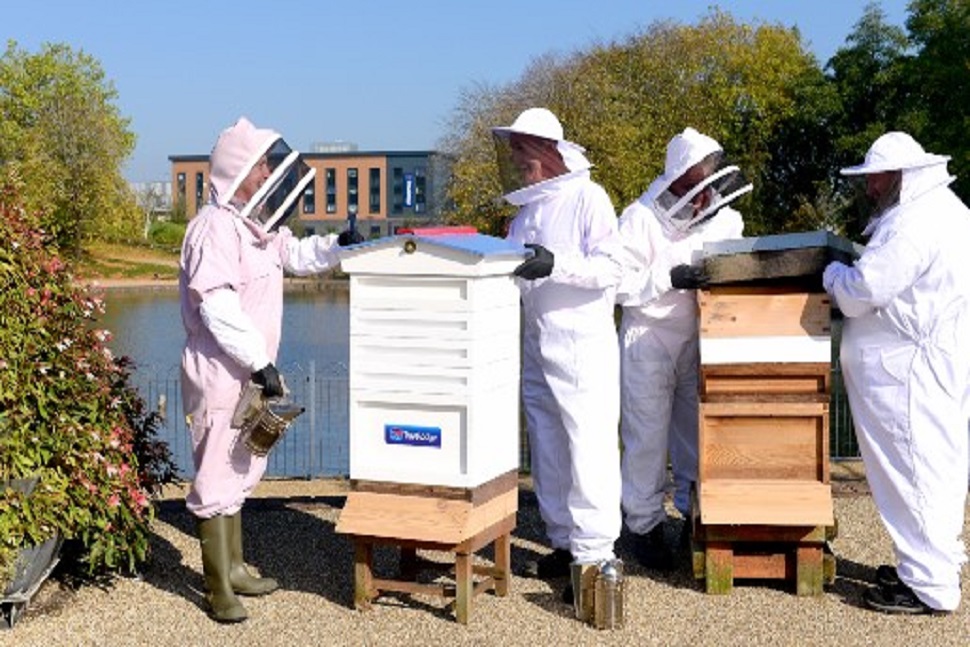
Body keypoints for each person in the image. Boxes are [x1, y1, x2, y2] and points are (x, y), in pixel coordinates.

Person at [179, 116, 362, 623]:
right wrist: (260, 363)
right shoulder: (214, 228)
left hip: (250, 371)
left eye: (267, 164)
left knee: (241, 464)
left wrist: (339, 245)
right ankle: (218, 588)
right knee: (216, 469)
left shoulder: (254, 227)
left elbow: (297, 255)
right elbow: (216, 305)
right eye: (260, 164)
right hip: (220, 370)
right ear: (238, 169)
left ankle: (235, 568)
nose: (266, 173)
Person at [822, 131, 970, 615]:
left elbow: (863, 290)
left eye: (877, 179)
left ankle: (929, 587)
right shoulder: (940, 212)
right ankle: (926, 566)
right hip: (919, 367)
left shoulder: (916, 223)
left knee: (915, 468)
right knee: (931, 466)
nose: (870, 188)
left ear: (901, 177)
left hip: (909, 374)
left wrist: (832, 274)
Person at [491, 108, 625, 601]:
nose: (516, 161)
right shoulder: (526, 212)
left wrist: (556, 264)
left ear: (549, 151)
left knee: (587, 449)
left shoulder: (589, 197)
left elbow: (613, 267)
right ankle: (565, 544)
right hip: (537, 344)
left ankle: (595, 556)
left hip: (583, 345)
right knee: (548, 448)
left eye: (523, 151)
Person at [615, 128, 749, 570]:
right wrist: (667, 279)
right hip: (648, 338)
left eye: (705, 186)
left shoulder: (724, 216)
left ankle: (695, 514)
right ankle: (642, 524)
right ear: (674, 180)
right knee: (646, 438)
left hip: (698, 334)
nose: (698, 199)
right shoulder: (639, 218)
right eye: (690, 187)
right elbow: (615, 285)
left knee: (696, 434)